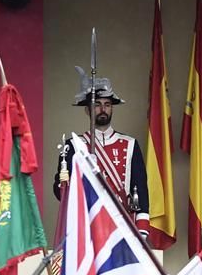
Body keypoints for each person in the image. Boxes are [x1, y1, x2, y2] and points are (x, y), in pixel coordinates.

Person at [53, 79, 149, 235]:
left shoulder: (130, 144)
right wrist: (64, 184)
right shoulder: (74, 145)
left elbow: (141, 189)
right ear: (87, 110)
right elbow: (60, 192)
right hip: (87, 226)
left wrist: (142, 229)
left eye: (107, 105)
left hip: (123, 225)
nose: (102, 109)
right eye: (97, 105)